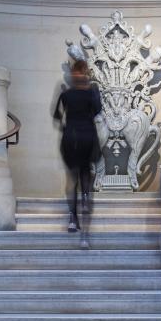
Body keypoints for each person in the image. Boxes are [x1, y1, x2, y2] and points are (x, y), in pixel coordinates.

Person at [52, 58, 103, 244]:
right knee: (85, 181)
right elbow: (98, 111)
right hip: (87, 138)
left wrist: (64, 125)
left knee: (73, 180)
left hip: (71, 139)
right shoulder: (91, 93)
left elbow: (56, 115)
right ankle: (83, 227)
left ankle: (74, 218)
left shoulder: (67, 94)